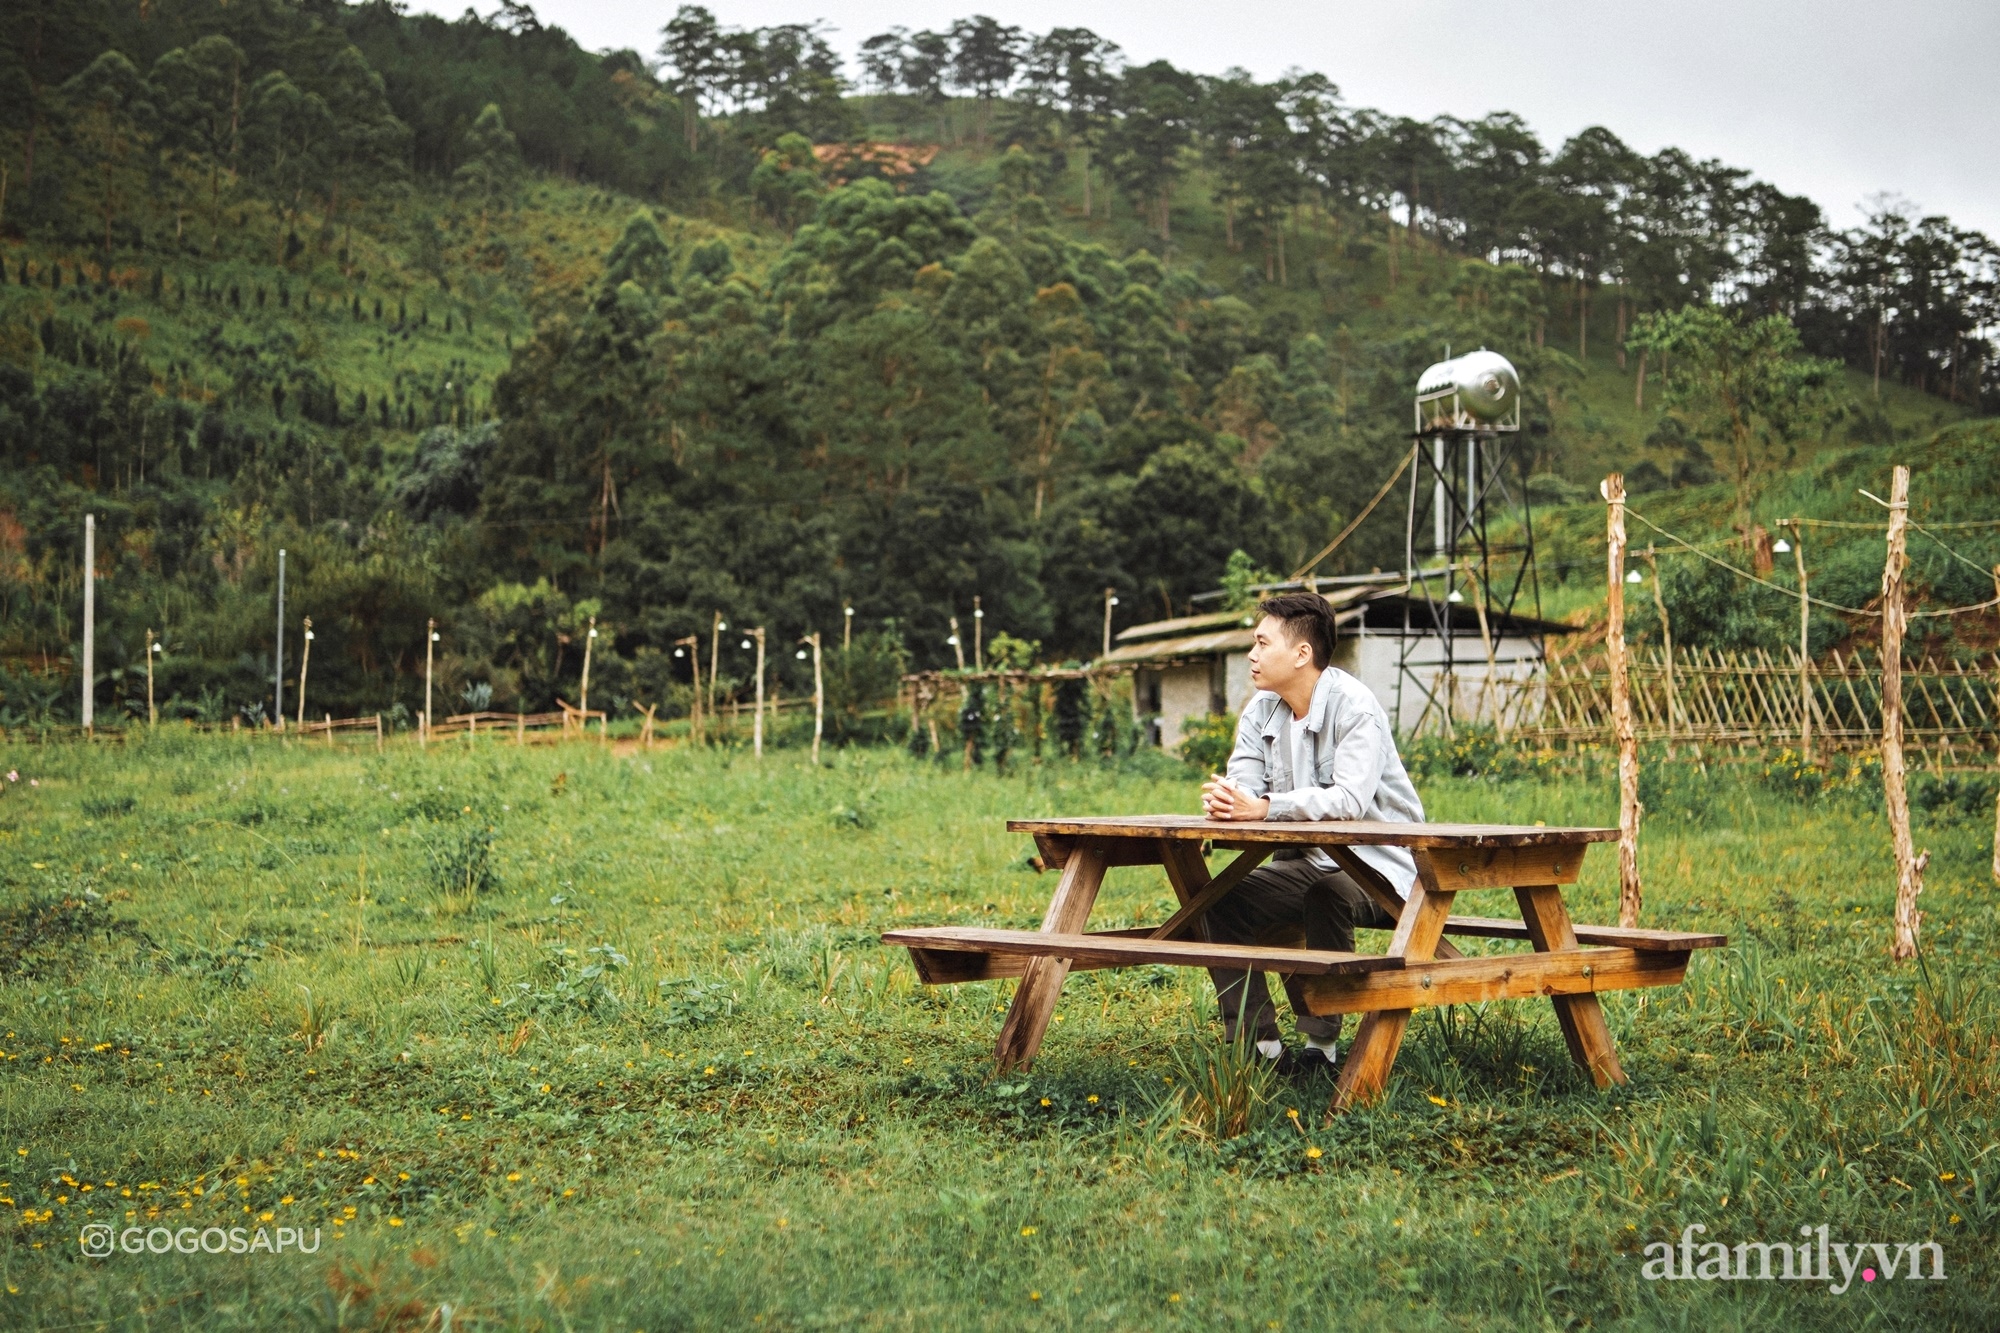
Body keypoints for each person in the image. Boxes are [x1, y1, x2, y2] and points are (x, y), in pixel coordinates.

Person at [1198, 591, 1426, 1075]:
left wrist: (1262, 808)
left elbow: (1349, 801)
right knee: (1218, 900)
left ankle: (1320, 1048)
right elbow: (1245, 782)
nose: (1251, 654)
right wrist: (1228, 799)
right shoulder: (1261, 711)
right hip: (1306, 861)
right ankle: (1258, 1048)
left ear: (1302, 654)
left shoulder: (1355, 708)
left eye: (1262, 643)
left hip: (1381, 867)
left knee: (1327, 894)